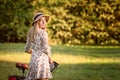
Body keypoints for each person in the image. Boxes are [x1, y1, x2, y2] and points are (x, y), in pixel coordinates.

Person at [24, 12, 53, 80]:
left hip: (33, 62)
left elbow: (26, 49)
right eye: (41, 20)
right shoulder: (43, 33)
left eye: (44, 20)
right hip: (42, 62)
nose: (43, 22)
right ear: (37, 22)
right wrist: (50, 58)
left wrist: (35, 52)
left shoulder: (30, 33)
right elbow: (46, 48)